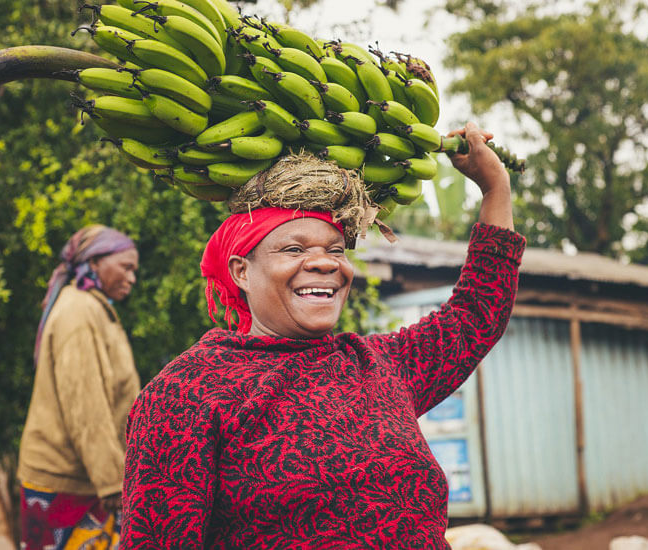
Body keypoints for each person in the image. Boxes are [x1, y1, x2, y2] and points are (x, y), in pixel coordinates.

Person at [121, 122, 526, 549]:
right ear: (241, 271)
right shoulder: (188, 392)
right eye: (294, 250)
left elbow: (476, 314)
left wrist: (494, 187)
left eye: (335, 250)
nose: (325, 263)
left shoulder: (377, 364)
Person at [18, 224, 141, 550]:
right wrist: (113, 483)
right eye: (126, 267)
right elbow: (86, 407)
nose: (132, 278)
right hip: (68, 482)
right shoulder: (79, 312)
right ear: (96, 261)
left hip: (82, 479)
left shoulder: (94, 308)